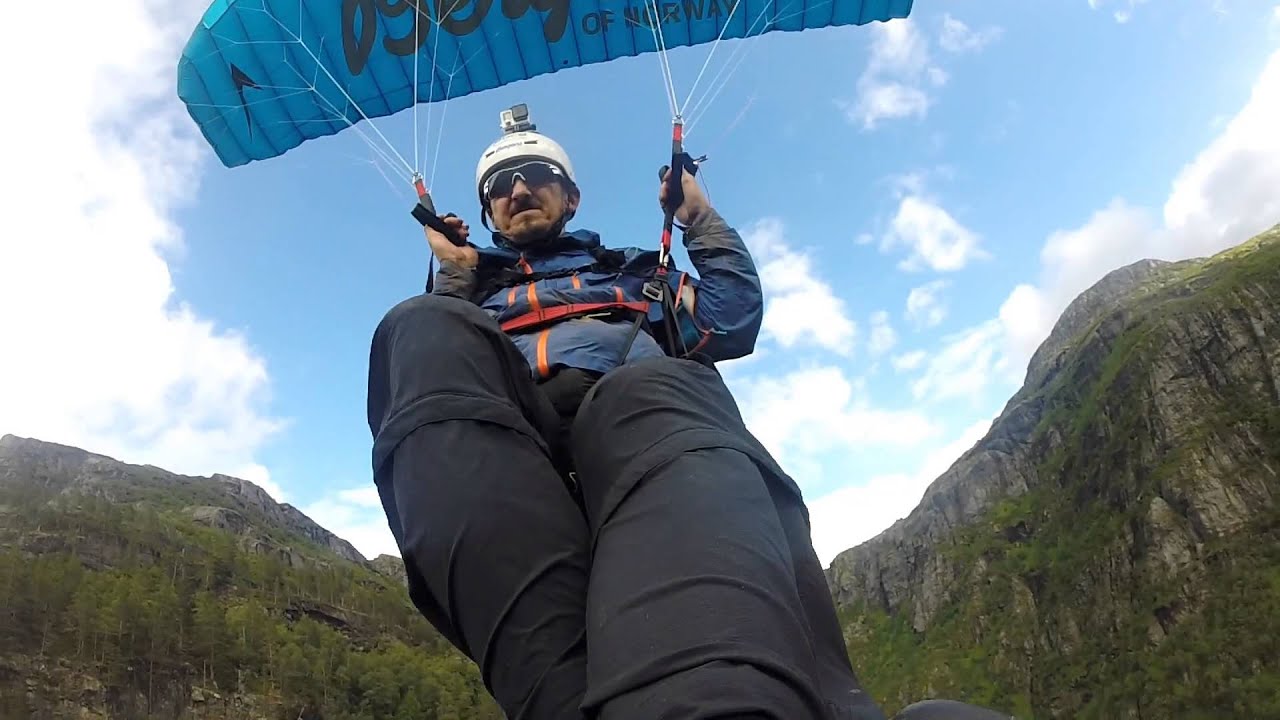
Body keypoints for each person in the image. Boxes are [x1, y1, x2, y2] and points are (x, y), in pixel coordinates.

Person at [366, 107, 1011, 720]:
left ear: (572, 198)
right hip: (513, 441)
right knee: (416, 331)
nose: (518, 190)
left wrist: (698, 219)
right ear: (486, 213)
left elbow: (730, 320)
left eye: (537, 177)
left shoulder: (636, 274)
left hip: (633, 415)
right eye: (500, 187)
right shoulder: (466, 299)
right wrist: (452, 276)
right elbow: (447, 371)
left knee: (647, 393)